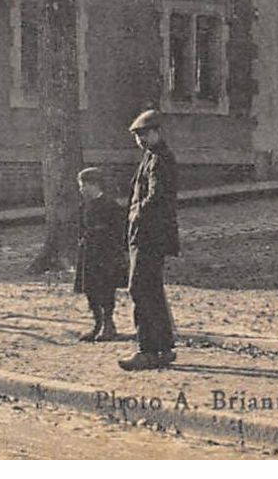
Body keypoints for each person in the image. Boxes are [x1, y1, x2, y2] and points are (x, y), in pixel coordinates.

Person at [120, 109, 180, 370]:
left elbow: (156, 197)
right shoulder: (151, 157)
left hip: (149, 235)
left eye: (145, 134)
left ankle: (147, 350)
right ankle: (163, 348)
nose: (141, 139)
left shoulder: (160, 159)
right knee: (151, 290)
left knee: (140, 289)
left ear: (158, 132)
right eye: (137, 136)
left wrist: (136, 214)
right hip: (148, 234)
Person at [73, 166, 126, 342]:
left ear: (94, 185)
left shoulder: (111, 205)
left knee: (106, 289)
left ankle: (108, 324)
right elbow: (81, 228)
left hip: (105, 254)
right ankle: (97, 323)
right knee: (90, 289)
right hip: (89, 253)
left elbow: (118, 231)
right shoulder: (84, 206)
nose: (81, 189)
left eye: (83, 185)